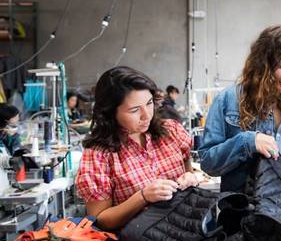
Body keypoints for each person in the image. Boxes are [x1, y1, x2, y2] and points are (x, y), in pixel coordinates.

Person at [199, 25, 281, 208]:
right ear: (262, 63)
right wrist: (247, 142)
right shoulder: (228, 101)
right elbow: (208, 162)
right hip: (245, 213)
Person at [75, 66, 198, 230]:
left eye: (149, 104)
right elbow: (100, 219)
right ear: (111, 113)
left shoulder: (171, 131)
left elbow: (188, 170)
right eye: (134, 110)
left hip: (185, 232)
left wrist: (190, 177)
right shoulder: (99, 154)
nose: (146, 115)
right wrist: (142, 197)